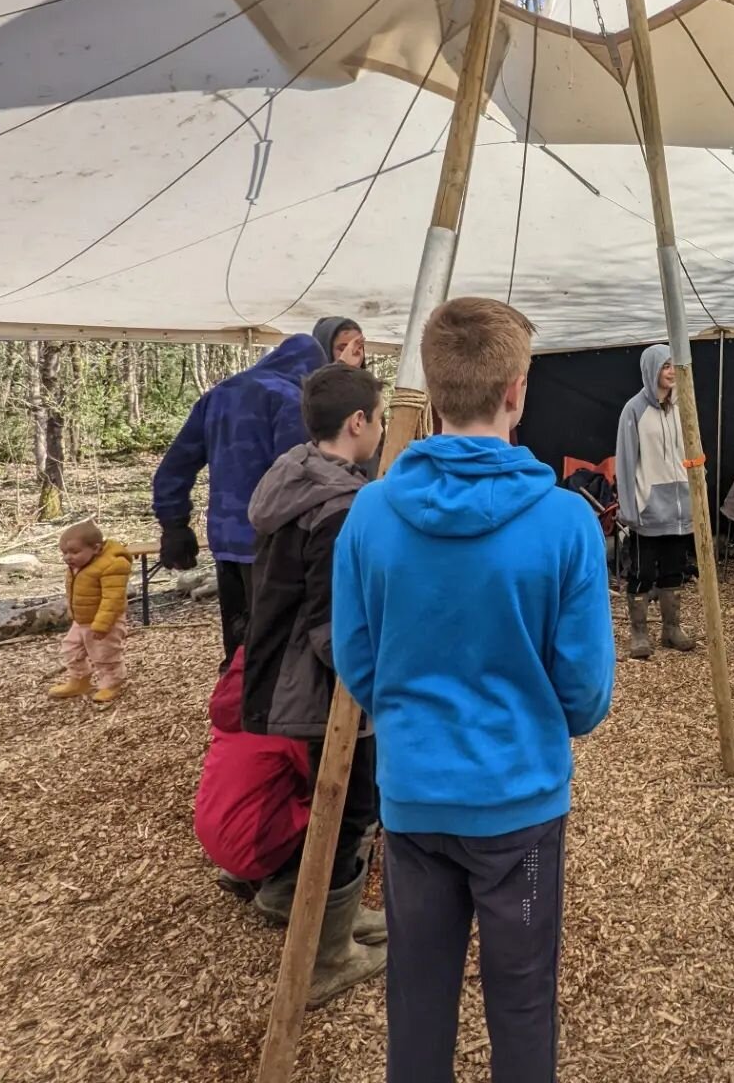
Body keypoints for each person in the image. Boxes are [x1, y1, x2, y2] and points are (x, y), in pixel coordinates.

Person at [333, 297, 615, 1083]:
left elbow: (356, 658)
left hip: (415, 797)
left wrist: (409, 712)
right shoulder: (565, 523)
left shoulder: (372, 510)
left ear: (430, 386)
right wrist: (527, 715)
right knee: (521, 1002)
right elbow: (587, 693)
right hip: (520, 806)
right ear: (517, 391)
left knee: (416, 999)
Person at [243, 362, 388, 1004]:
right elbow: (334, 626)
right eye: (379, 419)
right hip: (321, 682)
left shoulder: (295, 475)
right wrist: (379, 680)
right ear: (357, 423)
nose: (383, 430)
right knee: (351, 803)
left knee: (334, 798)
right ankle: (327, 954)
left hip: (284, 671)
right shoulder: (338, 507)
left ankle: (301, 899)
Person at [152, 334, 326, 667]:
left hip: (226, 541)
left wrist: (174, 524)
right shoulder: (291, 399)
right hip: (273, 545)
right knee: (276, 648)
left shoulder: (217, 396)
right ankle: (263, 714)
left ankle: (232, 710)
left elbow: (174, 467)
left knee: (239, 641)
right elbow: (295, 479)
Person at [194, 647, 312, 899]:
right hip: (252, 848)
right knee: (342, 804)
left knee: (263, 784)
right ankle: (282, 890)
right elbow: (321, 777)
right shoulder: (286, 716)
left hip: (214, 835)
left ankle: (242, 872)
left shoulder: (236, 707)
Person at [614, 344, 696, 661]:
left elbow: (691, 452)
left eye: (674, 365)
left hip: (679, 505)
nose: (672, 371)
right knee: (642, 571)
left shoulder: (682, 406)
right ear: (651, 370)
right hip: (647, 506)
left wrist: (695, 494)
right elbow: (625, 460)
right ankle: (639, 634)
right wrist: (630, 507)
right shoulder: (634, 410)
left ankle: (671, 628)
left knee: (675, 569)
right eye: (665, 366)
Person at [48, 521, 132, 705]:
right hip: (82, 620)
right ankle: (79, 680)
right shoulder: (79, 565)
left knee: (105, 654)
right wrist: (73, 612)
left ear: (96, 548)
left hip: (106, 621)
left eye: (74, 552)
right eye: (64, 553)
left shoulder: (112, 565)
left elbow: (113, 599)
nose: (67, 558)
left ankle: (112, 682)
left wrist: (103, 624)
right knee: (71, 649)